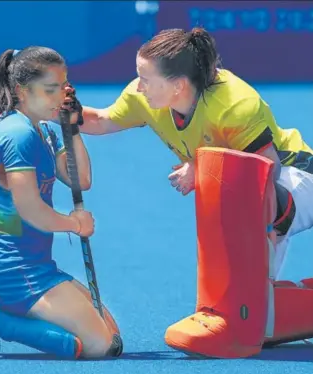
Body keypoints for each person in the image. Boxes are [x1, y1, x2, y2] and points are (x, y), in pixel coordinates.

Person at [70, 27, 313, 350]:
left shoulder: (234, 103)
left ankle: (249, 313)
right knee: (256, 291)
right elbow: (101, 120)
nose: (137, 85)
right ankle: (256, 311)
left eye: (145, 77)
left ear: (178, 86)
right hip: (240, 185)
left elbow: (267, 170)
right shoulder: (144, 97)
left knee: (251, 207)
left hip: (296, 178)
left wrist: (200, 166)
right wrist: (68, 113)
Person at [0, 46, 121, 360]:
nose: (60, 96)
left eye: (63, 87)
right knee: (99, 347)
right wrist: (75, 224)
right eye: (51, 90)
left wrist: (71, 125)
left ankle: (11, 316)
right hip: (9, 270)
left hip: (37, 266)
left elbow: (81, 180)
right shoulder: (16, 134)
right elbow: (30, 209)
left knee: (112, 338)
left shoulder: (43, 130)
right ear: (22, 91)